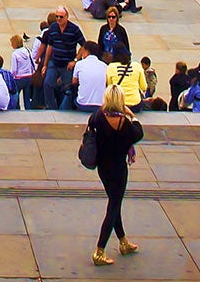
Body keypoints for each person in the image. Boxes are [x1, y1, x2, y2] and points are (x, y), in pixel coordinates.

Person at [87, 83, 144, 264]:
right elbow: (138, 133)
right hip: (118, 169)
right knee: (114, 206)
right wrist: (132, 115)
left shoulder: (97, 117)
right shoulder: (124, 124)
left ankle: (123, 242)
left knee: (114, 202)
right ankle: (99, 250)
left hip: (103, 167)